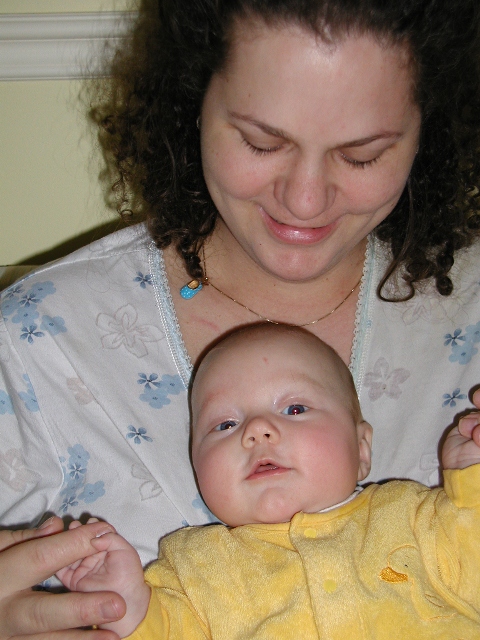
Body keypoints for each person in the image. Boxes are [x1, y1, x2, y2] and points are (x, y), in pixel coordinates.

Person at [1, 0, 480, 636]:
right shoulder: (37, 343)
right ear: (193, 102)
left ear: (429, 131)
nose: (304, 199)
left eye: (362, 155)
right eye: (261, 142)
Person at [55, 324, 480, 639]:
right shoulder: (193, 570)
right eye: (224, 424)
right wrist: (126, 604)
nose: (257, 430)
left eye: (295, 409)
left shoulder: (413, 517)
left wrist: (472, 479)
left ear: (361, 449)